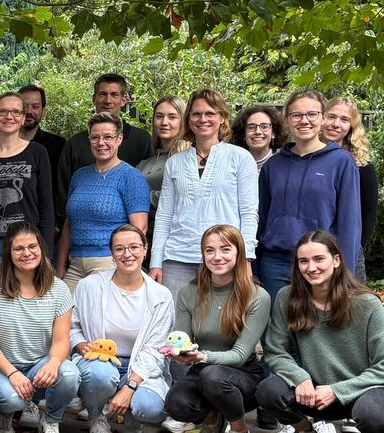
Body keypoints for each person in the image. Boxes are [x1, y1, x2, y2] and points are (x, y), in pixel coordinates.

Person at [254, 231, 384, 433]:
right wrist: (300, 378)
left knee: (375, 416)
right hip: (314, 392)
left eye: (319, 259)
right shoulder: (287, 298)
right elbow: (276, 351)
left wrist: (338, 390)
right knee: (268, 391)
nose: (311, 268)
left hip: (361, 391)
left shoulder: (367, 304)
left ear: (336, 260)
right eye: (303, 261)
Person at [163, 225, 271, 433]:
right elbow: (183, 340)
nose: (217, 256)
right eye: (209, 250)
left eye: (225, 249)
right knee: (176, 404)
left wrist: (203, 357)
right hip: (202, 369)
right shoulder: (188, 292)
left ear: (239, 252)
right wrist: (179, 353)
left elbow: (240, 355)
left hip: (243, 374)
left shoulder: (257, 296)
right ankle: (212, 422)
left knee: (212, 376)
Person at [0, 223, 77, 433]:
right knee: (12, 399)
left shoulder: (58, 289)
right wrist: (12, 373)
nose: (27, 253)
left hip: (38, 365)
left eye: (32, 246)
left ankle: (50, 421)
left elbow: (62, 340)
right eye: (19, 249)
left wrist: (54, 362)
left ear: (41, 248)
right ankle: (4, 414)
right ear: (9, 253)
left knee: (70, 374)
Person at [70, 225, 173, 433]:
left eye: (134, 247)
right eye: (119, 249)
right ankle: (96, 416)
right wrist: (79, 343)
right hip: (100, 362)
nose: (127, 254)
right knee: (99, 374)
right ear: (112, 254)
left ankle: (133, 417)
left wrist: (131, 386)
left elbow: (156, 349)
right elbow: (71, 326)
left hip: (139, 367)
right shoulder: (89, 286)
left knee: (150, 407)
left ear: (145, 249)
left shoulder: (161, 295)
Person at [150, 89, 259, 295]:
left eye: (210, 113)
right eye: (196, 114)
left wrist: (246, 258)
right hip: (178, 258)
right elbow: (164, 215)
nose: (203, 119)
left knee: (222, 315)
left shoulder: (241, 158)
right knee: (176, 315)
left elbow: (248, 213)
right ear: (189, 119)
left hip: (224, 258)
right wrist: (156, 261)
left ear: (222, 118)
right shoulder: (175, 162)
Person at [258, 90, 361, 304]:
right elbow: (262, 219)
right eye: (296, 115)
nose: (304, 121)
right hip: (276, 263)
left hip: (320, 264)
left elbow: (350, 222)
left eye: (312, 114)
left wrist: (346, 272)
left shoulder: (341, 162)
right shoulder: (273, 165)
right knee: (278, 324)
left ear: (323, 118)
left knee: (319, 323)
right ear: (287, 120)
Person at [56, 113, 151, 290]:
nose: (101, 143)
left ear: (119, 139)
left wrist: (127, 264)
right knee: (65, 306)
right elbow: (69, 224)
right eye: (95, 137)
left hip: (110, 262)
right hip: (75, 264)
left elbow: (139, 228)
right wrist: (60, 266)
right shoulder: (79, 176)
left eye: (108, 137)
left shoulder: (130, 176)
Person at [0, 93, 54, 286]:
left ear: (23, 118)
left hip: (27, 244)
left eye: (15, 112)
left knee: (27, 294)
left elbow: (47, 207)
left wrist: (46, 254)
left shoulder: (37, 152)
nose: (9, 116)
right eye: (3, 111)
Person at [56, 74, 153, 220]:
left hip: (130, 226)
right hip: (80, 224)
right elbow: (63, 193)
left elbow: (148, 185)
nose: (108, 100)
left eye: (114, 94)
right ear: (94, 99)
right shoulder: (75, 144)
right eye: (102, 94)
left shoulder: (141, 139)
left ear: (123, 100)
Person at [323, 97, 377, 283]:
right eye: (331, 117)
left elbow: (369, 215)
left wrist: (352, 247)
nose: (336, 124)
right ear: (322, 117)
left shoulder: (362, 166)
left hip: (348, 249)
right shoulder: (306, 157)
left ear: (352, 126)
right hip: (314, 248)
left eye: (344, 120)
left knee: (351, 298)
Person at [137, 96, 188, 250]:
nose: (164, 122)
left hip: (175, 242)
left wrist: (139, 197)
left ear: (183, 121)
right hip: (145, 239)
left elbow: (180, 195)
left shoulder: (189, 157)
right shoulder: (145, 163)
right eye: (159, 116)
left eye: (172, 117)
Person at [18, 84, 66, 180]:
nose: (29, 111)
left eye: (35, 107)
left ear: (43, 112)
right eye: (24, 106)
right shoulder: (3, 146)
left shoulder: (59, 146)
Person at [232, 105, 286, 171]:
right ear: (243, 134)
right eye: (251, 127)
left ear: (273, 133)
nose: (258, 132)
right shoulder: (232, 165)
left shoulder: (284, 165)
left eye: (264, 127)